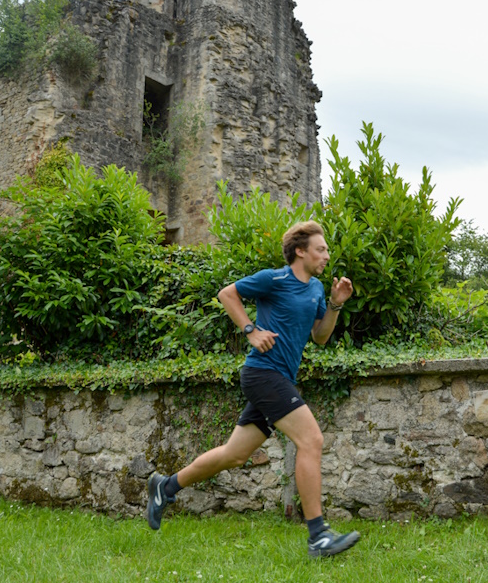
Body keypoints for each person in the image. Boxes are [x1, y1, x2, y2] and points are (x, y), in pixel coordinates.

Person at [145, 220, 361, 558]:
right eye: (320, 249)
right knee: (311, 440)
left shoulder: (317, 288)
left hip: (280, 377)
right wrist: (250, 330)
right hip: (263, 373)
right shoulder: (273, 279)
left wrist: (335, 304)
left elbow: (319, 336)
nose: (326, 255)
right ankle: (318, 535)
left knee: (235, 454)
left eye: (326, 250)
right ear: (300, 251)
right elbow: (227, 293)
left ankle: (165, 486)